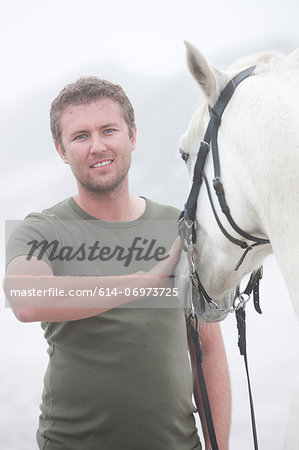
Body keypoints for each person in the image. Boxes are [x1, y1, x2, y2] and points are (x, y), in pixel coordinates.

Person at [4, 77, 231, 450]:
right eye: (80, 136)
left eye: (108, 130)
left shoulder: (179, 227)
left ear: (133, 136)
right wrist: (142, 282)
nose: (97, 146)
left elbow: (207, 349)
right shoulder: (42, 230)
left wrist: (218, 447)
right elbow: (26, 298)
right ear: (61, 150)